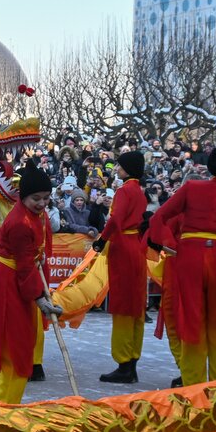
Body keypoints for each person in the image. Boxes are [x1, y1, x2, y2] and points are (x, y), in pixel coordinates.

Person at [147, 145, 216, 386]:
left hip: (189, 258)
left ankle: (192, 386)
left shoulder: (191, 188)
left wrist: (158, 240)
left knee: (191, 321)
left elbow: (160, 216)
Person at [0, 166, 60, 404]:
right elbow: (25, 266)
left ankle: (1, 405)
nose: (42, 203)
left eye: (46, 198)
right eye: (36, 198)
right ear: (23, 196)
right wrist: (40, 299)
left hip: (15, 277)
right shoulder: (20, 223)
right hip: (7, 282)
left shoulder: (36, 216)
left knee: (18, 344)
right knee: (12, 347)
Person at [92, 151, 148, 384]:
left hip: (123, 246)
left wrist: (102, 239)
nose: (117, 168)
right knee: (135, 307)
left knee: (123, 306)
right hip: (136, 247)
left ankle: (124, 362)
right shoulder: (140, 192)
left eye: (120, 166)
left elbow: (115, 220)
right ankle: (132, 361)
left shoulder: (124, 191)